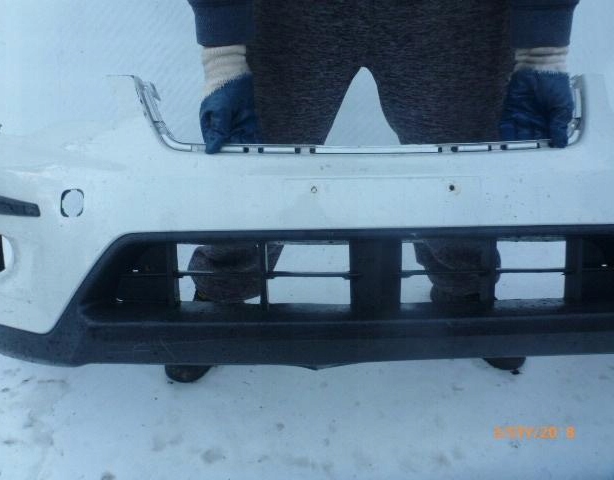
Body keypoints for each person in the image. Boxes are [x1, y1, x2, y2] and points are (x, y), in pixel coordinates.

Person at [165, 0, 579, 382]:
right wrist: (224, 56)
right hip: (292, 11)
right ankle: (221, 291)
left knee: (459, 159)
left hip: (447, 12)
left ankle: (465, 285)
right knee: (257, 156)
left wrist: (542, 51)